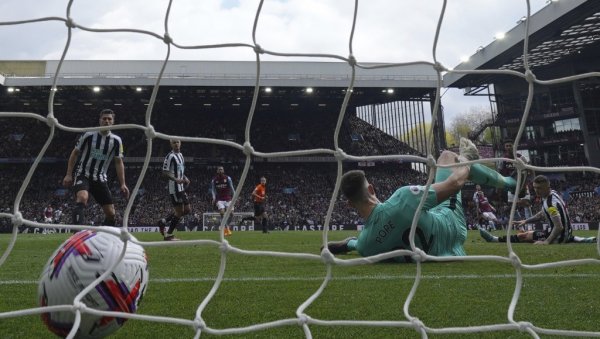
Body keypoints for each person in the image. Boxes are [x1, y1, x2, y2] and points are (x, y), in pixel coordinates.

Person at [324, 138, 520, 262]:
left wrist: (337, 246)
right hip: (451, 226)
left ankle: (510, 181)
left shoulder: (365, 245)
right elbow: (455, 184)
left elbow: (353, 245)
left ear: (349, 204)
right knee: (448, 157)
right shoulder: (403, 198)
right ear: (371, 188)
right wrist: (467, 160)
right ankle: (512, 182)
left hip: (435, 254)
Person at [480, 175, 597, 244]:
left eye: (539, 188)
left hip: (558, 236)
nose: (536, 191)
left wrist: (546, 242)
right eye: (535, 188)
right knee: (527, 233)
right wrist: (526, 221)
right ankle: (582, 240)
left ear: (547, 186)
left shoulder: (551, 204)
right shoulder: (552, 194)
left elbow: (558, 226)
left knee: (524, 236)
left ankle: (494, 239)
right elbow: (542, 213)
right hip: (566, 233)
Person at [62, 109, 129, 227]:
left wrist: (122, 183)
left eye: (109, 119)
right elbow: (75, 153)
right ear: (100, 120)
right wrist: (68, 174)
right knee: (82, 197)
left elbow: (118, 162)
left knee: (111, 214)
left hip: (100, 178)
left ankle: (104, 236)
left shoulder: (117, 141)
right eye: (104, 119)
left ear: (113, 122)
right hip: (83, 173)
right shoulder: (88, 134)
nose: (107, 121)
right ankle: (77, 233)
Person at [157, 139, 191, 241]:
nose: (176, 144)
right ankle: (168, 235)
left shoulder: (180, 155)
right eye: (174, 142)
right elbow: (164, 172)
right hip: (174, 187)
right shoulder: (170, 156)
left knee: (187, 210)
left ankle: (163, 221)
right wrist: (176, 179)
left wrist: (185, 177)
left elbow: (181, 170)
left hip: (181, 187)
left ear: (180, 143)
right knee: (179, 212)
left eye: (178, 142)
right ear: (171, 144)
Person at [498, 140, 533, 224]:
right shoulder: (503, 159)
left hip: (523, 184)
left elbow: (530, 168)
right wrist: (499, 185)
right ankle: (518, 224)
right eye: (507, 146)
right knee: (512, 206)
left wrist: (532, 178)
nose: (509, 147)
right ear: (505, 147)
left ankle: (530, 223)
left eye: (510, 145)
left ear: (514, 146)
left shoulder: (520, 157)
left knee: (526, 204)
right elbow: (499, 172)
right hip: (510, 184)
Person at [211, 166, 236, 236]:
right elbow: (213, 190)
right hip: (219, 199)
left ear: (223, 171)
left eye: (221, 169)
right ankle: (226, 228)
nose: (220, 171)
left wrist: (235, 196)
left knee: (231, 214)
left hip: (228, 198)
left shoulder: (228, 178)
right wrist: (213, 198)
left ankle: (226, 226)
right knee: (222, 212)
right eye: (219, 170)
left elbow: (232, 188)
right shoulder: (214, 180)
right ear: (217, 171)